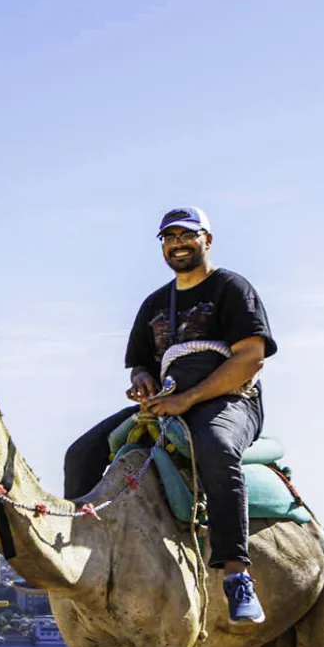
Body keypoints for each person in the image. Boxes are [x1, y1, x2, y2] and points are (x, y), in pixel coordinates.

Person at [63, 207, 276, 624]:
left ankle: (237, 576)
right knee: (81, 453)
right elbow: (140, 364)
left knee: (215, 448)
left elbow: (250, 359)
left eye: (186, 235)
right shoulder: (155, 304)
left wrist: (190, 398)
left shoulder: (232, 289)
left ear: (207, 240)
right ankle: (74, 557)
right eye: (169, 238)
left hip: (229, 401)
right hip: (166, 401)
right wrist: (143, 381)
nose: (177, 244)